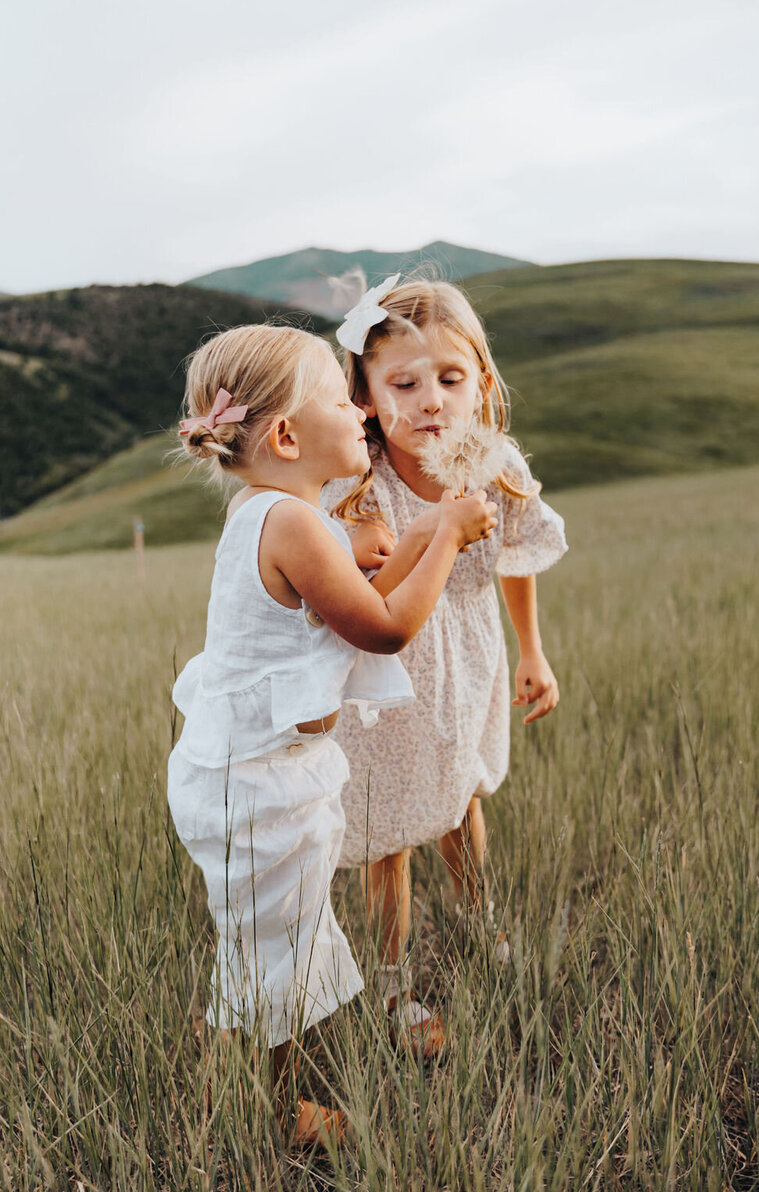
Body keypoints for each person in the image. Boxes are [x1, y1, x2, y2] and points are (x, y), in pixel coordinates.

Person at [167, 322, 497, 1144]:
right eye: (339, 398)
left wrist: (402, 542)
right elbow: (383, 628)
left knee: (278, 944)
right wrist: (447, 537)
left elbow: (346, 587)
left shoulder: (269, 512)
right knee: (273, 954)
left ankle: (258, 1100)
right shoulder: (296, 525)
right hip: (261, 787)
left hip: (253, 773)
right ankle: (256, 1113)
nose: (360, 409)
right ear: (285, 435)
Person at [322, 277, 568, 1058]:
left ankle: (480, 920)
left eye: (451, 379)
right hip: (391, 676)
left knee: (462, 793)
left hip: (469, 658)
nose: (431, 400)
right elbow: (365, 597)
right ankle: (393, 979)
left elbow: (519, 556)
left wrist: (532, 649)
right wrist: (435, 531)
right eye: (404, 383)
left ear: (482, 384)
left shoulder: (494, 467)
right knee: (391, 823)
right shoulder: (361, 489)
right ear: (363, 395)